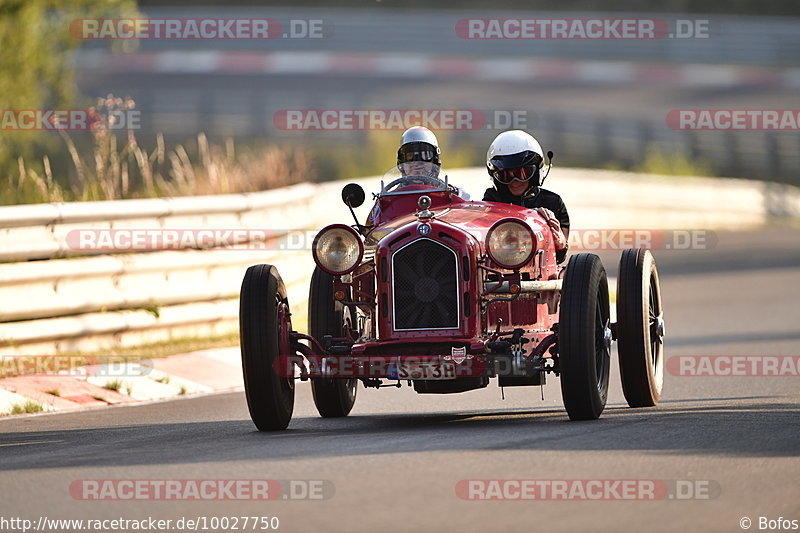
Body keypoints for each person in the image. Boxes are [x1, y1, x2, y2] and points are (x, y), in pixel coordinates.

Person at [482, 130, 570, 263]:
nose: (515, 181)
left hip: (541, 272)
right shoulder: (491, 200)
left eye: (522, 173)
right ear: (496, 177)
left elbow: (560, 257)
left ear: (536, 172)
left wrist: (559, 241)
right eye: (506, 176)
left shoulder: (553, 202)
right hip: (500, 269)